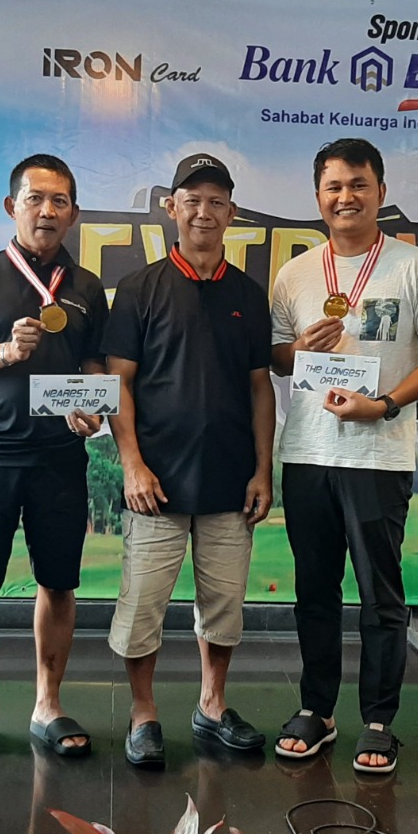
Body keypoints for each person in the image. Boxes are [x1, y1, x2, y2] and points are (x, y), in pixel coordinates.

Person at [269, 138, 418, 774]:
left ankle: (379, 720)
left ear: (381, 192)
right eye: (333, 186)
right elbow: (277, 358)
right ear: (318, 197)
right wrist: (300, 348)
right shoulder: (296, 273)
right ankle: (316, 710)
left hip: (379, 454)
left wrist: (382, 404)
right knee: (314, 591)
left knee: (381, 596)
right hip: (307, 452)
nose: (346, 197)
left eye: (358, 184)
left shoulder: (416, 268)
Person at [0, 154, 109, 766]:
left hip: (59, 457)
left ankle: (47, 705)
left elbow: (93, 367)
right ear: (13, 206)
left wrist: (90, 408)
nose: (47, 211)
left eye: (60, 201)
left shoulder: (86, 287)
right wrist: (4, 352)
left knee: (58, 583)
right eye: (36, 198)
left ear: (74, 213)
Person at [102, 153, 275, 769]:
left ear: (232, 213)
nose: (205, 212)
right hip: (157, 482)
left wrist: (263, 469)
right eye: (192, 200)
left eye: (216, 201)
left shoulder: (248, 295)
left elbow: (261, 387)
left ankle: (211, 704)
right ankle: (143, 713)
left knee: (223, 608)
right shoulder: (140, 289)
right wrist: (132, 464)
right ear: (172, 207)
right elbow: (118, 383)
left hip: (231, 480)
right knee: (142, 607)